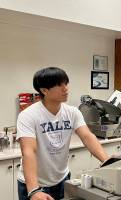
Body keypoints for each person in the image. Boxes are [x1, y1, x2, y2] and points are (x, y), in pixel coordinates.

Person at [17, 67, 110, 200]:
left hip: (61, 179)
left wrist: (107, 161)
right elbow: (29, 151)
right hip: (33, 183)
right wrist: (33, 190)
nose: (65, 88)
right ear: (44, 90)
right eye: (59, 85)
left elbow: (87, 137)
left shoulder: (72, 112)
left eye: (66, 83)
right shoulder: (28, 115)